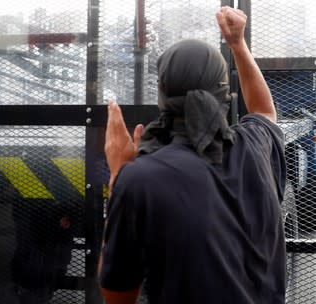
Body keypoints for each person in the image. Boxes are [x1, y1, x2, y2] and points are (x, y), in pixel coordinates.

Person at [98, 6, 287, 304]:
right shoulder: (255, 146)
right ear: (224, 92)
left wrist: (118, 173)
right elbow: (264, 111)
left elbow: (117, 295)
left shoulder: (140, 178)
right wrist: (238, 43)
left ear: (162, 94)